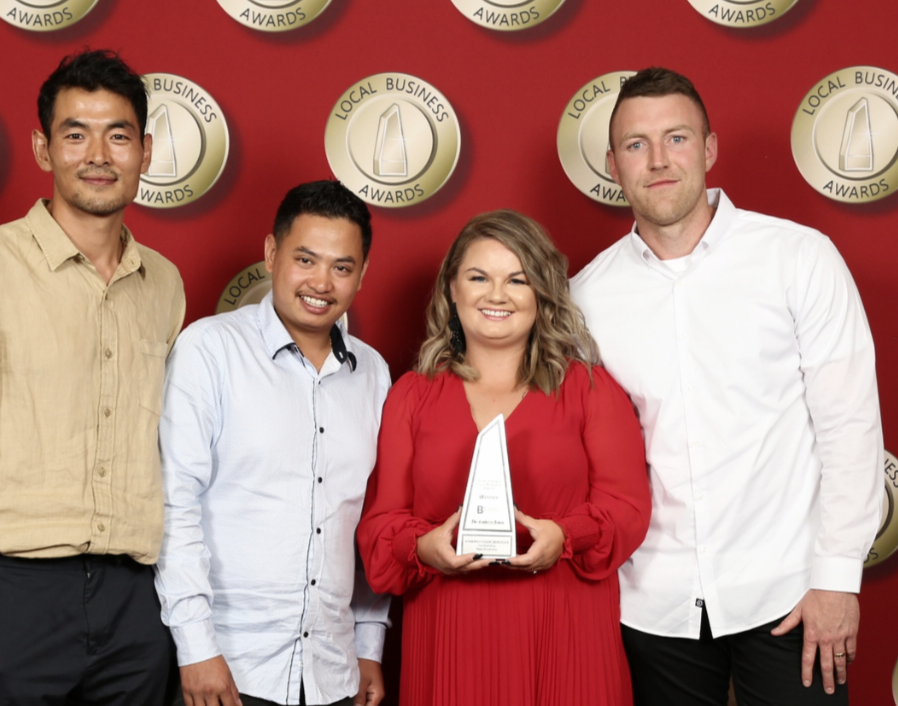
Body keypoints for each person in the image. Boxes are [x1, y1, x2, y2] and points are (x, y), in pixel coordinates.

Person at [570, 67, 884, 706]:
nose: (658, 160)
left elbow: (850, 429)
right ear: (612, 162)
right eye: (636, 144)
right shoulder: (586, 297)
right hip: (652, 605)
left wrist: (837, 579)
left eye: (676, 138)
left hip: (792, 595)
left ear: (709, 149)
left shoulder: (798, 258)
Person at [0, 49, 186, 705]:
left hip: (137, 603)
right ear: (43, 148)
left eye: (119, 134)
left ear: (146, 150)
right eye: (75, 133)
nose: (98, 154)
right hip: (13, 595)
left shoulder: (163, 283)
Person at [357, 210, 652, 706]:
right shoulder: (411, 395)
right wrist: (423, 547)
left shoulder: (588, 389)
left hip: (566, 636)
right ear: (452, 288)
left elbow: (627, 508)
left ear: (542, 292)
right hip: (451, 638)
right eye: (479, 277)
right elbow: (380, 530)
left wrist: (566, 537)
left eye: (517, 279)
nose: (497, 294)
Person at [155, 180, 391, 706]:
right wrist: (196, 649)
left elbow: (371, 519)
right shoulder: (209, 349)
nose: (321, 283)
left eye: (341, 266)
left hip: (333, 672)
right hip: (230, 671)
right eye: (305, 259)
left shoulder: (373, 373)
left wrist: (369, 645)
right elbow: (175, 503)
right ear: (270, 254)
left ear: (361, 274)